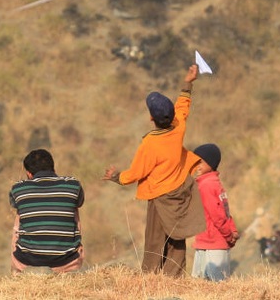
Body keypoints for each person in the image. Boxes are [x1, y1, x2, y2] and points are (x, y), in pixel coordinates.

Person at [102, 65, 206, 276]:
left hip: (160, 197)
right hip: (180, 193)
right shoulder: (178, 128)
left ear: (151, 118)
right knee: (177, 238)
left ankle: (150, 277)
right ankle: (174, 278)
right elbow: (183, 106)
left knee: (155, 239)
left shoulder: (150, 144)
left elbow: (135, 173)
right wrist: (188, 82)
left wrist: (115, 176)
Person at [10, 149, 84, 274]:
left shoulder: (18, 188)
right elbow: (80, 202)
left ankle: (18, 273)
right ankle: (69, 265)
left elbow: (15, 204)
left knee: (20, 212)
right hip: (66, 260)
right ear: (53, 169)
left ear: (29, 174)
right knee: (73, 207)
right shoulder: (73, 185)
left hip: (27, 260)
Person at [191, 144, 239, 282]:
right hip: (207, 241)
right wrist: (232, 230)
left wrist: (229, 235)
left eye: (200, 162)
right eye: (195, 162)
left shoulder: (207, 185)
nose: (197, 166)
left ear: (211, 164)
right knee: (204, 285)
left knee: (215, 285)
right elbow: (226, 212)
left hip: (213, 243)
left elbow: (219, 216)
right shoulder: (211, 183)